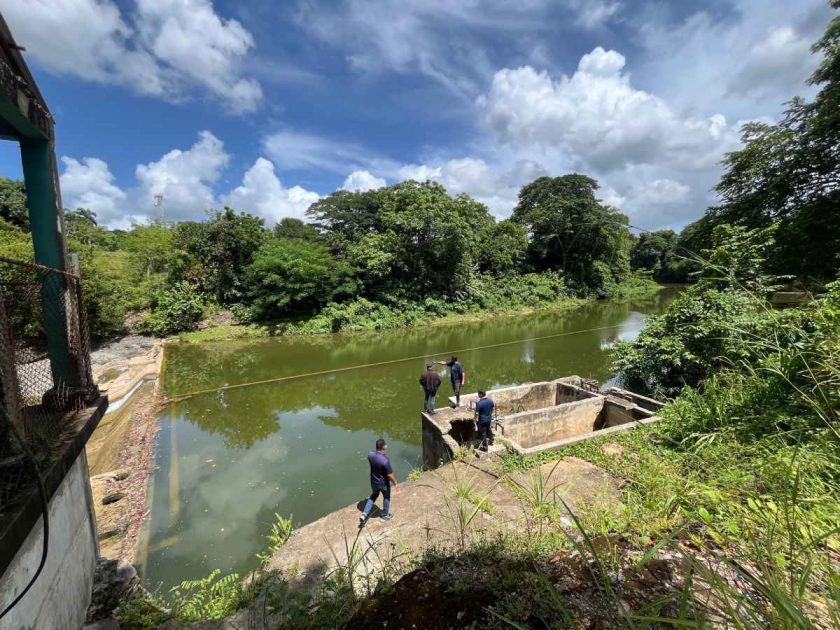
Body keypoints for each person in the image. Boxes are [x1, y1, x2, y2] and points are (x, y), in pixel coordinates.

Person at [360, 438, 398, 523]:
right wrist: (395, 483)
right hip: (383, 483)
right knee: (386, 497)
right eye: (385, 444)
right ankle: (384, 516)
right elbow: (390, 474)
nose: (387, 445)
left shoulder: (370, 455)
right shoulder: (385, 460)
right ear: (383, 446)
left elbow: (374, 455)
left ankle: (364, 514)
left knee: (373, 496)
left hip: (374, 482)